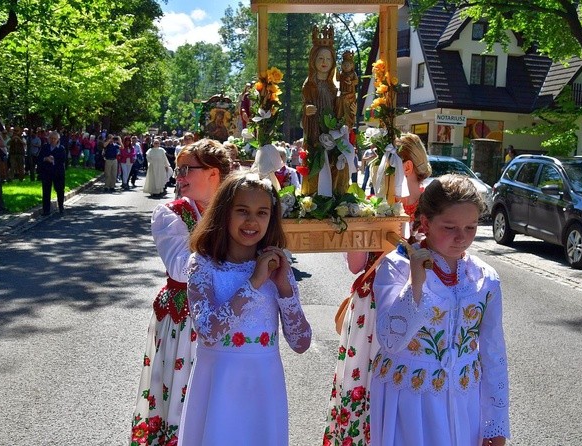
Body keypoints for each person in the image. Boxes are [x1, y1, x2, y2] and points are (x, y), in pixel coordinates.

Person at [370, 174, 510, 446]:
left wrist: (496, 424)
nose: (461, 237)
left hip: (464, 399)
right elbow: (390, 340)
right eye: (449, 227)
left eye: (471, 228)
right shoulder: (396, 267)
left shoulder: (484, 279)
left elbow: (493, 352)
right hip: (409, 398)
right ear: (425, 223)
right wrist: (416, 284)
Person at [177, 170, 312, 446]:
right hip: (218, 383)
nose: (252, 221)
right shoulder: (202, 264)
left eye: (262, 213)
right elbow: (208, 331)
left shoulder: (276, 267)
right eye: (242, 211)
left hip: (264, 384)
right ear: (224, 213)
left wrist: (285, 289)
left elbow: (301, 343)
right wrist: (252, 284)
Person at [323, 133, 432, 446]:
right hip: (368, 311)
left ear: (405, 166)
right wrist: (355, 224)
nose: (376, 171)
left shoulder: (433, 207)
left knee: (404, 388)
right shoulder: (374, 206)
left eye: (384, 164)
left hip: (413, 305)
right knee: (362, 383)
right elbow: (356, 265)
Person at [131, 139, 233, 446]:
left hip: (228, 318)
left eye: (188, 168)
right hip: (185, 321)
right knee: (183, 398)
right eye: (178, 168)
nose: (180, 175)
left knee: (222, 399)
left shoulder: (237, 210)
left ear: (213, 174)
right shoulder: (171, 213)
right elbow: (178, 268)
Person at [37, 131, 67, 216]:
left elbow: (63, 160)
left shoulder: (61, 148)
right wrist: (45, 159)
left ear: (58, 139)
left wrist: (53, 159)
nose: (53, 140)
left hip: (58, 173)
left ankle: (61, 207)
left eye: (54, 139)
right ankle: (46, 210)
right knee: (46, 191)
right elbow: (39, 158)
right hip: (46, 172)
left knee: (60, 190)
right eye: (51, 138)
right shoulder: (45, 147)